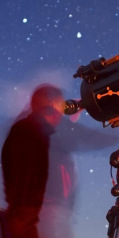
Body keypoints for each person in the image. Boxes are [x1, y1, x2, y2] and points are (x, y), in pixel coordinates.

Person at [1, 84, 64, 238]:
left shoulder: (31, 131)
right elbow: (22, 177)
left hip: (24, 218)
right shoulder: (28, 132)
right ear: (52, 106)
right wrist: (22, 219)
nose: (62, 114)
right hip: (22, 220)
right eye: (61, 106)